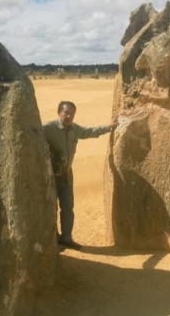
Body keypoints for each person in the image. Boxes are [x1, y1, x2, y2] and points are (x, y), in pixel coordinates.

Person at [43, 101, 118, 250]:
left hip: (66, 176)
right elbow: (33, 137)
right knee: (50, 209)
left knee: (68, 208)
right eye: (66, 112)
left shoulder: (74, 129)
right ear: (59, 113)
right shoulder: (48, 128)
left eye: (72, 113)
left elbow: (90, 131)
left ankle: (66, 238)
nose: (69, 115)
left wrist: (109, 127)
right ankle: (53, 240)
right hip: (50, 178)